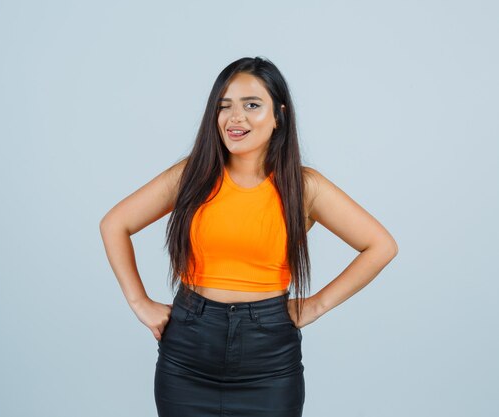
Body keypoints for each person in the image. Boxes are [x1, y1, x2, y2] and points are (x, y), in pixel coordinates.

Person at [99, 56, 398, 417]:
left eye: (251, 105)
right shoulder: (190, 176)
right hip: (188, 355)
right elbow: (115, 223)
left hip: (270, 361)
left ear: (279, 116)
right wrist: (139, 303)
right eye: (224, 107)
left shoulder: (304, 187)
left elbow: (381, 246)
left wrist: (315, 305)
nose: (235, 117)